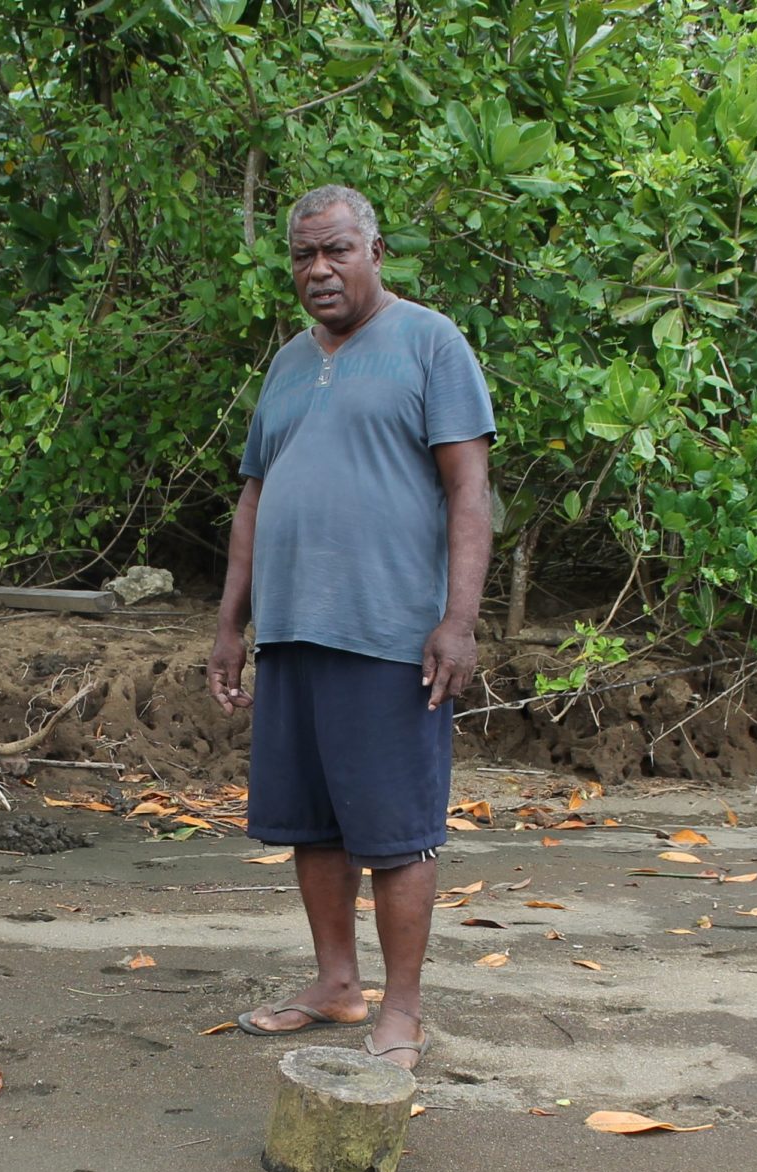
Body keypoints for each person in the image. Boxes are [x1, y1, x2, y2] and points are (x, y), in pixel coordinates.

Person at [208, 183, 494, 1072]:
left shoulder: (430, 343)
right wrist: (231, 625)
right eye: (303, 255)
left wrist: (458, 620)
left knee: (395, 828)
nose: (319, 270)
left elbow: (468, 490)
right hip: (294, 632)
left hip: (390, 635)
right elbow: (254, 496)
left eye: (336, 251)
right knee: (314, 826)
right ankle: (336, 984)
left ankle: (401, 1010)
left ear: (375, 251)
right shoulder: (290, 363)